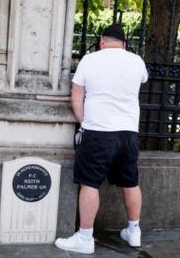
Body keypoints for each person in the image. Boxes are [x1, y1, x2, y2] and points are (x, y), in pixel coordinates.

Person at [55, 24, 148, 254]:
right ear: (124, 44)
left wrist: (85, 122)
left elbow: (76, 98)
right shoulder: (136, 61)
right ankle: (134, 231)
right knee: (130, 182)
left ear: (102, 41)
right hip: (128, 132)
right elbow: (142, 80)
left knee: (89, 182)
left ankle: (85, 238)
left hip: (98, 131)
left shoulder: (90, 59)